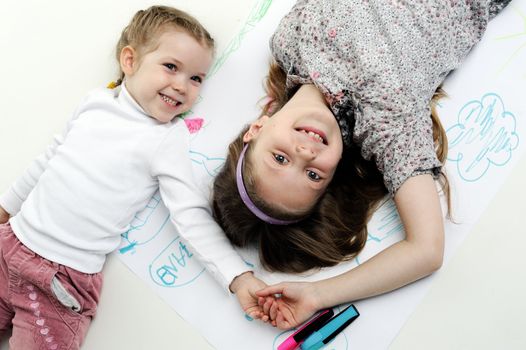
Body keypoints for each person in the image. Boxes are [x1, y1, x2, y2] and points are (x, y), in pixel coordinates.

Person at [212, 0, 512, 329]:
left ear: (257, 129)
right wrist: (317, 295)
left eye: (280, 158)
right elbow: (426, 249)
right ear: (333, 172)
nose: (305, 152)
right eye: (313, 175)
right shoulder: (385, 127)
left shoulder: (287, 41)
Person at [0, 5, 267, 349]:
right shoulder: (95, 103)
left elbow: (189, 216)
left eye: (196, 78)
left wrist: (239, 277)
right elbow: (48, 161)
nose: (182, 86)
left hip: (60, 281)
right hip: (10, 243)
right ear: (130, 60)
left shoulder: (165, 139)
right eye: (171, 67)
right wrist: (5, 210)